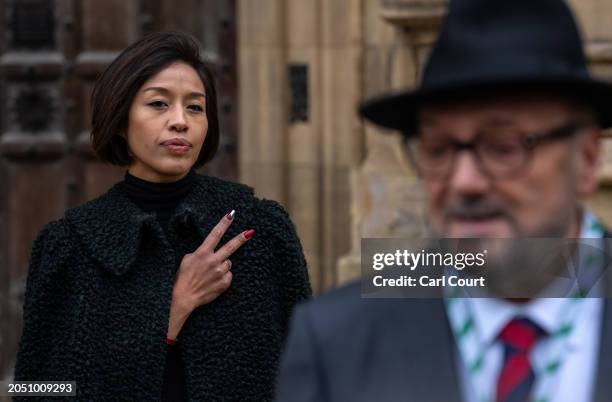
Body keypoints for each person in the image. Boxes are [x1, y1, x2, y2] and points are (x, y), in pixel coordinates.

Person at [275, 1, 612, 401]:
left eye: (503, 147)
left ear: (587, 159)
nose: (464, 181)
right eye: (438, 149)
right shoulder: (336, 342)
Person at [13, 31, 311, 401]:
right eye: (158, 104)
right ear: (121, 119)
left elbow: (311, 371)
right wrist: (174, 309)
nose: (180, 121)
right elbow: (37, 390)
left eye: (195, 107)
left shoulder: (262, 230)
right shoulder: (69, 246)